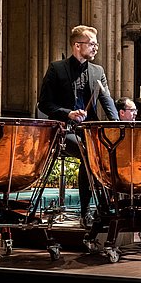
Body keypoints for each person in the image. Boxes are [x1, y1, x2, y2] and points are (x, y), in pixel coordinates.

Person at [38, 25, 119, 228]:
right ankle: (86, 212)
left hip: (88, 129)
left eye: (96, 44)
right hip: (63, 130)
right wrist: (69, 113)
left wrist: (118, 125)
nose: (95, 48)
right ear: (77, 45)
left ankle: (108, 207)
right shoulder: (56, 68)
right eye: (92, 44)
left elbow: (107, 100)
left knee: (110, 150)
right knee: (88, 153)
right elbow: (44, 104)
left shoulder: (97, 71)